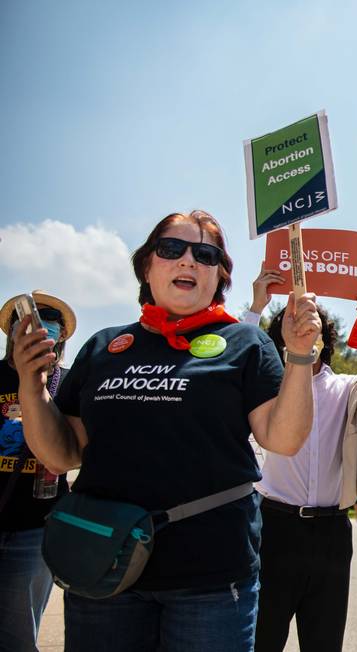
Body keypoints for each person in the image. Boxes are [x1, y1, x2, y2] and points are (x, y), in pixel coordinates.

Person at [10, 210, 321, 652]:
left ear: (220, 276)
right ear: (147, 265)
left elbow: (284, 439)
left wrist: (300, 355)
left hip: (210, 577)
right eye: (172, 249)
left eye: (205, 254)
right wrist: (31, 383)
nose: (188, 261)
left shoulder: (247, 344)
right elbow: (61, 456)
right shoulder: (103, 346)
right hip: (103, 566)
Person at [242, 270, 357, 652]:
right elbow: (237, 363)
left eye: (315, 323)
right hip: (273, 528)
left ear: (327, 336)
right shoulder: (267, 385)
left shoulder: (348, 389)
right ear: (283, 335)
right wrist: (256, 306)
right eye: (298, 322)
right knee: (260, 641)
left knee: (324, 644)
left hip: (331, 533)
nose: (309, 329)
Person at [0, 291, 76, 652]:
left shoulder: (72, 383)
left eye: (49, 323)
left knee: (17, 636)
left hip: (37, 528)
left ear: (59, 336)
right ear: (12, 334)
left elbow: (80, 453)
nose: (37, 329)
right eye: (27, 322)